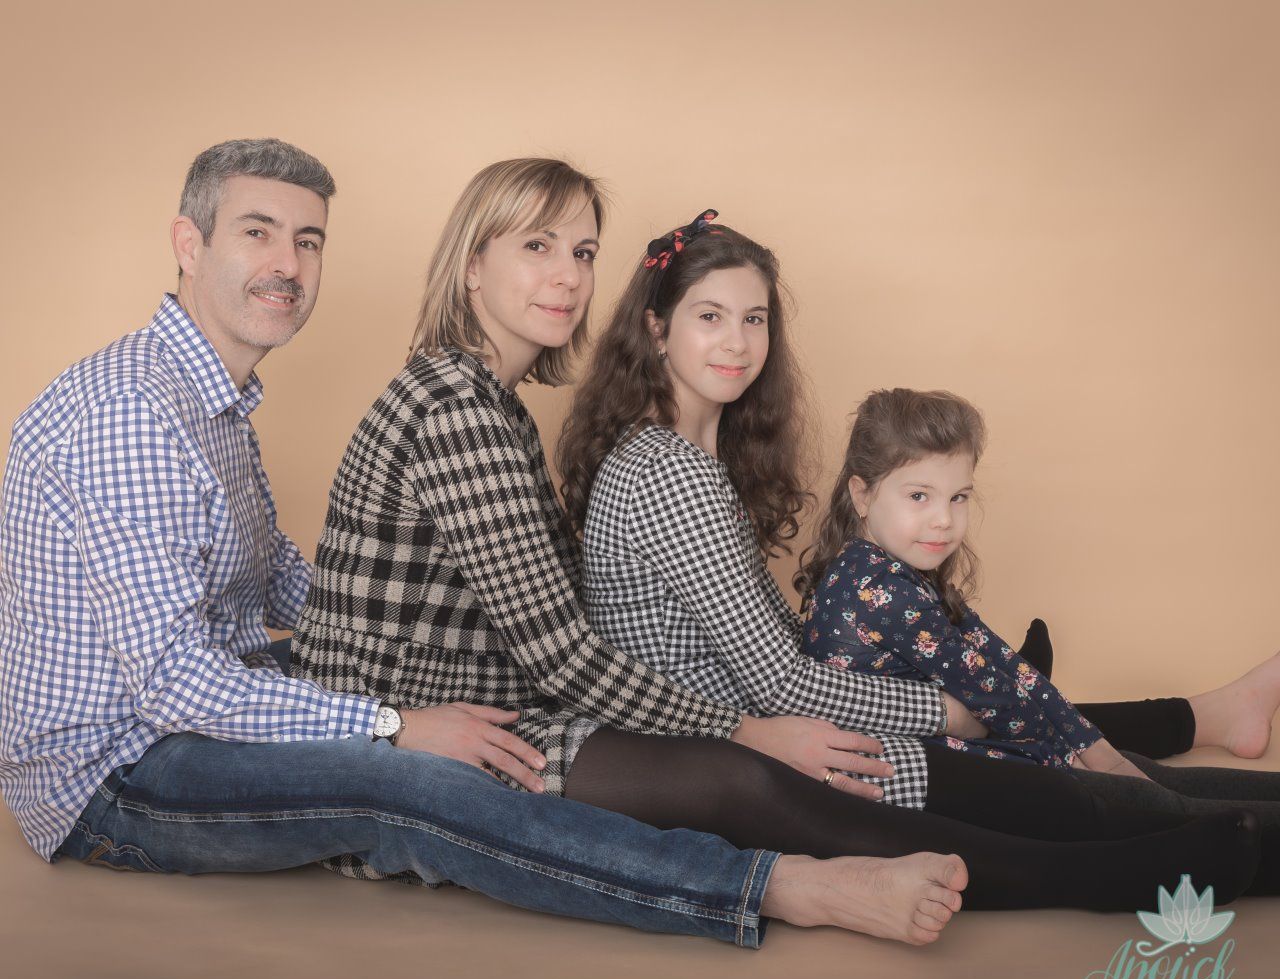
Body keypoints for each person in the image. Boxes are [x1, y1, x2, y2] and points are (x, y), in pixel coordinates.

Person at [0, 139, 984, 950]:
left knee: (560, 754)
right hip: (119, 775)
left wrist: (366, 650)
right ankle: (780, 889)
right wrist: (389, 721)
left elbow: (285, 585)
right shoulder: (134, 413)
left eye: (308, 240)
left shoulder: (219, 404)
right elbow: (173, 683)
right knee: (416, 789)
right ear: (187, 242)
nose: (288, 265)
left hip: (216, 700)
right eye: (258, 233)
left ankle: (977, 784)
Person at [294, 162, 1262, 912]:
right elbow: (568, 655)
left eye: (582, 252)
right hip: (439, 738)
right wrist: (775, 724)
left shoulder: (495, 406)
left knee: (994, 741)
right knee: (857, 763)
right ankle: (1164, 851)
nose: (565, 275)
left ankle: (1185, 799)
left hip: (510, 713)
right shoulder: (468, 411)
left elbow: (564, 625)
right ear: (471, 264)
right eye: (536, 246)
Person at [557, 207, 1280, 896]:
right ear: (657, 330)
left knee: (1069, 750)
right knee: (1084, 794)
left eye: (755, 318)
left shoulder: (687, 460)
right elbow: (783, 687)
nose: (738, 343)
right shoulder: (669, 472)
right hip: (762, 755)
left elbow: (771, 652)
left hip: (775, 733)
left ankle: (1194, 736)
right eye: (709, 317)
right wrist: (947, 710)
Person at [800, 387, 1131, 774]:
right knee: (1034, 741)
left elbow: (983, 644)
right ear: (861, 495)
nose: (944, 519)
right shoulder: (881, 589)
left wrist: (1093, 745)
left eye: (958, 497)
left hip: (952, 710)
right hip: (895, 763)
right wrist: (1079, 763)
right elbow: (998, 701)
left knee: (1020, 689)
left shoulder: (884, 561)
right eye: (919, 496)